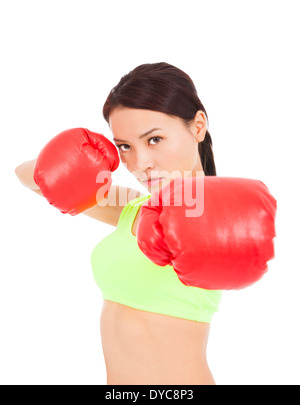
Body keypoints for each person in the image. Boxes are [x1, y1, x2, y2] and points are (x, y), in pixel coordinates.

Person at [14, 62, 224, 385]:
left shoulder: (214, 210)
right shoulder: (133, 207)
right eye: (125, 146)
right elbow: (32, 179)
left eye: (154, 139)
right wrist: (72, 156)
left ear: (198, 127)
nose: (139, 163)